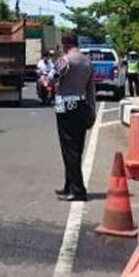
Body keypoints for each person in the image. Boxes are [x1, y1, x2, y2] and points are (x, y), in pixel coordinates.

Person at [49, 32, 96, 202]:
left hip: (66, 107)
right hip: (81, 106)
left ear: (65, 45)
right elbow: (91, 90)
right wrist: (92, 111)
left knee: (69, 150)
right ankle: (69, 185)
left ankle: (77, 190)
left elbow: (51, 78)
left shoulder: (65, 61)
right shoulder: (87, 62)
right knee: (76, 147)